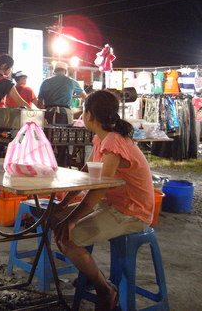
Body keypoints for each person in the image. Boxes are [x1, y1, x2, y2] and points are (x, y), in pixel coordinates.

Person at [53, 90, 154, 310]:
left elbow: (98, 188)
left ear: (89, 115)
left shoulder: (114, 143)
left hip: (131, 211)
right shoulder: (102, 138)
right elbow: (85, 172)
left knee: (68, 236)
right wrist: (62, 205)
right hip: (112, 205)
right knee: (54, 218)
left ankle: (105, 290)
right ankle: (88, 272)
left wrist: (71, 218)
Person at [36, 61, 87, 167]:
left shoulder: (45, 82)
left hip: (48, 114)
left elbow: (39, 103)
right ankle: (62, 165)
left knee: (47, 140)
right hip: (65, 115)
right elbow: (85, 96)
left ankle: (46, 164)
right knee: (63, 141)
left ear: (54, 71)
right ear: (65, 71)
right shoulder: (71, 81)